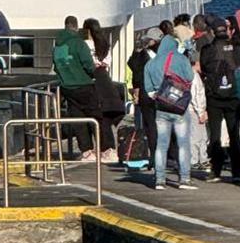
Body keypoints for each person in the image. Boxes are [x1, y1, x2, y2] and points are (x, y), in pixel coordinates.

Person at [143, 32, 196, 190]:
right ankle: (185, 179)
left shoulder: (151, 64)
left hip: (161, 108)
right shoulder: (181, 59)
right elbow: (190, 77)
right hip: (179, 107)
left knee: (161, 144)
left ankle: (159, 179)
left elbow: (149, 90)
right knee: (183, 144)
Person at [200, 18, 240, 182]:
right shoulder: (236, 48)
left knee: (215, 134)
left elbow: (204, 68)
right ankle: (237, 172)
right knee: (234, 134)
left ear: (213, 31)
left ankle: (216, 170)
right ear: (226, 30)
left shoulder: (208, 49)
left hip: (215, 97)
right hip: (234, 96)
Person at [52, 16, 104, 161]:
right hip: (84, 84)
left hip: (67, 86)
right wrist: (94, 71)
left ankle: (86, 151)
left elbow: (56, 66)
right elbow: (88, 63)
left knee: (78, 119)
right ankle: (103, 148)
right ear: (76, 27)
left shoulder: (57, 45)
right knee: (96, 117)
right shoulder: (78, 43)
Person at [82, 18, 120, 161]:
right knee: (105, 117)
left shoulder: (85, 44)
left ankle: (98, 149)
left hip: (92, 80)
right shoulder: (105, 44)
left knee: (93, 115)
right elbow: (107, 63)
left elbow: (87, 63)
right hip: (105, 79)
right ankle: (109, 149)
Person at [127, 28, 163, 166]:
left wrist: (137, 51)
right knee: (162, 124)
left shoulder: (142, 55)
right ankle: (165, 155)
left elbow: (133, 68)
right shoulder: (165, 54)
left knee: (151, 125)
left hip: (146, 93)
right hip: (163, 93)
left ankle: (155, 156)